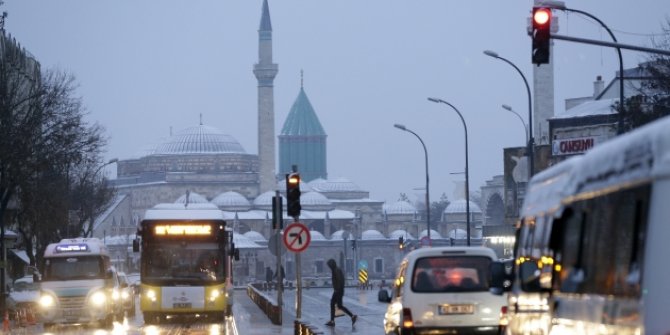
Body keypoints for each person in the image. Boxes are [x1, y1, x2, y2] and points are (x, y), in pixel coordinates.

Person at [325, 259, 357, 327]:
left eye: (329, 265)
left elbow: (340, 280)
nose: (329, 267)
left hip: (338, 291)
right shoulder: (335, 270)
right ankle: (333, 320)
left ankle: (333, 320)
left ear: (332, 265)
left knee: (337, 305)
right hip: (338, 290)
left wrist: (337, 290)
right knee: (336, 305)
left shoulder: (336, 270)